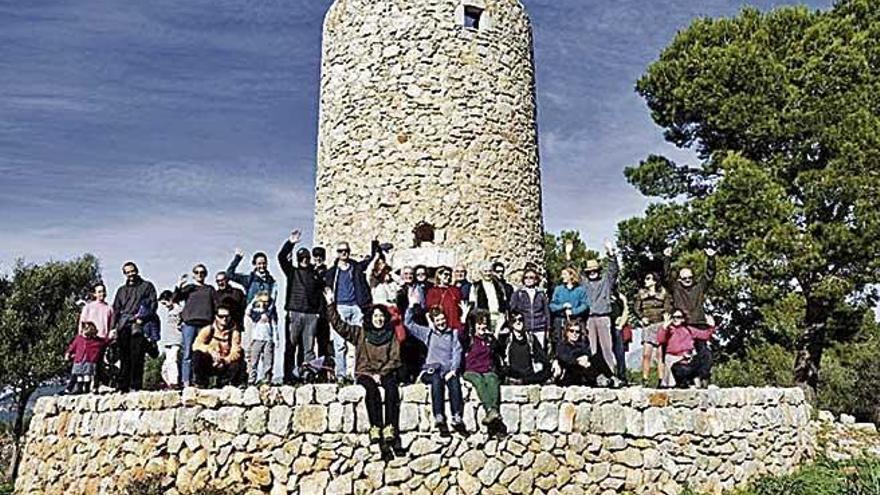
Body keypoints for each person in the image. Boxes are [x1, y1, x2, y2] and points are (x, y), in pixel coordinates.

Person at [324, 288, 404, 459]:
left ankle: (390, 427)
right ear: (370, 318)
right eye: (375, 316)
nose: (379, 319)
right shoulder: (360, 333)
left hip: (385, 371)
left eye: (381, 316)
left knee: (391, 390)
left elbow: (395, 358)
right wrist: (331, 305)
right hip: (365, 372)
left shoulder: (391, 335)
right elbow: (339, 325)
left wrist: (382, 374)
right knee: (371, 391)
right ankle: (375, 427)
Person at [405, 298, 465, 436]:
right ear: (433, 322)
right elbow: (408, 324)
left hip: (448, 370)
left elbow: (457, 352)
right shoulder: (428, 333)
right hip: (431, 370)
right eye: (437, 320)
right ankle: (439, 415)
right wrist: (411, 307)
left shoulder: (453, 334)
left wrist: (454, 369)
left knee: (454, 382)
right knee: (437, 380)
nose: (441, 322)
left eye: (442, 319)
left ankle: (457, 416)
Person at [325, 240, 380, 382]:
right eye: (341, 251)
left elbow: (370, 260)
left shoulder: (355, 267)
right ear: (337, 253)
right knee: (340, 344)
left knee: (360, 342)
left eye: (346, 251)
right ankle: (341, 375)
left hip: (356, 307)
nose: (344, 253)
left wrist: (375, 246)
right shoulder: (331, 272)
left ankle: (359, 372)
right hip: (340, 307)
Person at [278, 230, 325, 383]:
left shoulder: (315, 273)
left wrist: (318, 312)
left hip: (311, 315)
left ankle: (307, 375)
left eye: (306, 258)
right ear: (298, 259)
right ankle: (288, 376)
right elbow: (281, 258)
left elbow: (320, 293)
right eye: (301, 258)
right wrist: (290, 243)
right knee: (291, 346)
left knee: (309, 349)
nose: (304, 260)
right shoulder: (292, 272)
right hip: (294, 312)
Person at [111, 262, 157, 392]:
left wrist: (143, 318)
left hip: (139, 324)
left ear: (136, 270)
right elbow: (116, 309)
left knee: (137, 356)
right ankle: (122, 386)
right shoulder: (121, 290)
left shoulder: (147, 286)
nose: (131, 274)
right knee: (124, 357)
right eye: (127, 272)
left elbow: (153, 304)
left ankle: (136, 385)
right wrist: (113, 328)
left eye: (132, 271)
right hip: (123, 325)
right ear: (124, 274)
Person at [580, 241, 621, 387]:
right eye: (590, 270)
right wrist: (568, 255)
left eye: (595, 270)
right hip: (589, 318)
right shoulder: (584, 284)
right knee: (592, 350)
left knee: (607, 348)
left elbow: (613, 271)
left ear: (599, 270)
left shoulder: (605, 281)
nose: (593, 272)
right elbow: (572, 273)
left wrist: (611, 253)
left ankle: (611, 375)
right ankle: (597, 376)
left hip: (603, 317)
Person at [462, 309, 506, 437]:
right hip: (471, 370)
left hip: (486, 369)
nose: (482, 326)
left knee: (493, 380)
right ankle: (490, 410)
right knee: (479, 381)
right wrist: (464, 319)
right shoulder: (470, 339)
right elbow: (461, 335)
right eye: (479, 324)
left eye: (484, 324)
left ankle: (493, 413)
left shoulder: (488, 339)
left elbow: (499, 349)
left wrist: (495, 331)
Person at [173, 264, 216, 388]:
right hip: (189, 324)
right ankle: (186, 381)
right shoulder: (189, 288)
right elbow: (175, 299)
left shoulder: (210, 289)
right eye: (196, 272)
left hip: (205, 325)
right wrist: (179, 286)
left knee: (203, 353)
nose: (199, 274)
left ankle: (201, 381)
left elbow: (215, 306)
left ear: (205, 274)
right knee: (187, 353)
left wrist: (214, 323)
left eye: (202, 272)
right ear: (193, 274)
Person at [656, 309, 715, 388]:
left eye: (678, 317)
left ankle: (701, 378)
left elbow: (705, 335)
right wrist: (664, 327)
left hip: (689, 360)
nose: (676, 319)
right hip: (675, 362)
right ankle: (684, 383)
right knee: (677, 368)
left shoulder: (688, 329)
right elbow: (661, 339)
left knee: (706, 354)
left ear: (683, 319)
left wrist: (711, 326)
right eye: (673, 317)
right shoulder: (668, 330)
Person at [192, 304, 244, 388]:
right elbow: (196, 345)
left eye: (227, 316)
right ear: (216, 316)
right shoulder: (208, 329)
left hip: (225, 363)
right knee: (197, 355)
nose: (224, 319)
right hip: (209, 362)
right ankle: (201, 383)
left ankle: (225, 385)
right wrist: (210, 351)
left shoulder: (234, 332)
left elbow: (236, 352)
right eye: (221, 316)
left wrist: (224, 360)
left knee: (238, 363)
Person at [663, 247, 717, 327]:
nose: (687, 280)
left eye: (690, 277)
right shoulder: (676, 288)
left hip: (698, 323)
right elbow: (666, 277)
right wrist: (667, 258)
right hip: (682, 324)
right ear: (679, 279)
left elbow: (709, 276)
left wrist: (711, 259)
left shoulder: (699, 287)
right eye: (684, 278)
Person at [634, 272, 670, 385]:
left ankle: (661, 380)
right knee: (646, 354)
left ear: (654, 281)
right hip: (648, 326)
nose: (646, 281)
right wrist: (642, 317)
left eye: (648, 279)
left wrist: (666, 316)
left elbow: (668, 307)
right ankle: (645, 379)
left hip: (660, 324)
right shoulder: (641, 294)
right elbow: (636, 308)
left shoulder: (663, 293)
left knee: (660, 355)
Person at [549, 267, 589, 352]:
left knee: (577, 343)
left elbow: (585, 305)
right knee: (559, 343)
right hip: (560, 322)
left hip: (575, 321)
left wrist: (573, 311)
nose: (562, 276)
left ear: (571, 275)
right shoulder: (558, 289)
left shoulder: (580, 290)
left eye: (564, 274)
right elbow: (552, 306)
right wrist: (562, 306)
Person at [509, 268, 551, 348]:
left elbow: (546, 312)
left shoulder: (541, 294)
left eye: (531, 277)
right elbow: (513, 310)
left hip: (539, 328)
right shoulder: (518, 293)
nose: (528, 280)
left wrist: (548, 328)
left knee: (539, 352)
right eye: (526, 277)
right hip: (524, 328)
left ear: (536, 280)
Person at [65, 321, 111, 394]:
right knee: (78, 375)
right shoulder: (79, 338)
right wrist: (68, 353)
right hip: (79, 360)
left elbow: (104, 341)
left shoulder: (95, 341)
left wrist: (110, 337)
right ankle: (79, 389)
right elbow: (72, 346)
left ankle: (87, 389)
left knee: (87, 375)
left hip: (90, 360)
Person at [246, 292, 279, 385]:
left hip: (268, 339)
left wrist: (276, 339)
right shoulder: (256, 312)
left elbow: (275, 325)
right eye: (263, 301)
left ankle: (267, 379)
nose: (265, 304)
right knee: (253, 361)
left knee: (268, 361)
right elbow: (248, 312)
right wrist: (255, 301)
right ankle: (251, 380)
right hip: (257, 338)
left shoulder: (271, 312)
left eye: (267, 301)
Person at [469, 262, 508, 335]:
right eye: (485, 271)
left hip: (499, 320)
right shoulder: (476, 287)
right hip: (484, 320)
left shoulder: (499, 286)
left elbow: (504, 302)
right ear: (481, 273)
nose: (488, 274)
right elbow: (473, 305)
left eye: (489, 271)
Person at [555, 319, 594, 386]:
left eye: (577, 332)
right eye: (571, 331)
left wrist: (586, 358)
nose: (574, 334)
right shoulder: (562, 345)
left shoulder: (583, 344)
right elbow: (565, 358)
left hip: (584, 371)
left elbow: (588, 353)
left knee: (597, 358)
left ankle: (608, 377)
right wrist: (578, 360)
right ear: (567, 332)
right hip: (569, 373)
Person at [157, 290, 183, 389]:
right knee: (165, 365)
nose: (165, 306)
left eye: (165, 303)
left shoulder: (179, 309)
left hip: (176, 339)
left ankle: (174, 382)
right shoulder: (169, 311)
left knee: (172, 360)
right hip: (168, 339)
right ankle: (168, 382)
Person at [426, 266, 463, 331]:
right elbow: (429, 310)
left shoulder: (455, 291)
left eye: (449, 275)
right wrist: (431, 323)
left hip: (454, 325)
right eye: (445, 274)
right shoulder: (432, 291)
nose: (448, 277)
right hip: (440, 325)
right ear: (439, 275)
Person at [312, 247, 332, 361]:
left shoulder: (328, 273)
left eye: (320, 256)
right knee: (308, 342)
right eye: (316, 256)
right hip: (311, 310)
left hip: (323, 311)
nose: (318, 258)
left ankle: (323, 369)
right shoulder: (309, 271)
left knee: (323, 341)